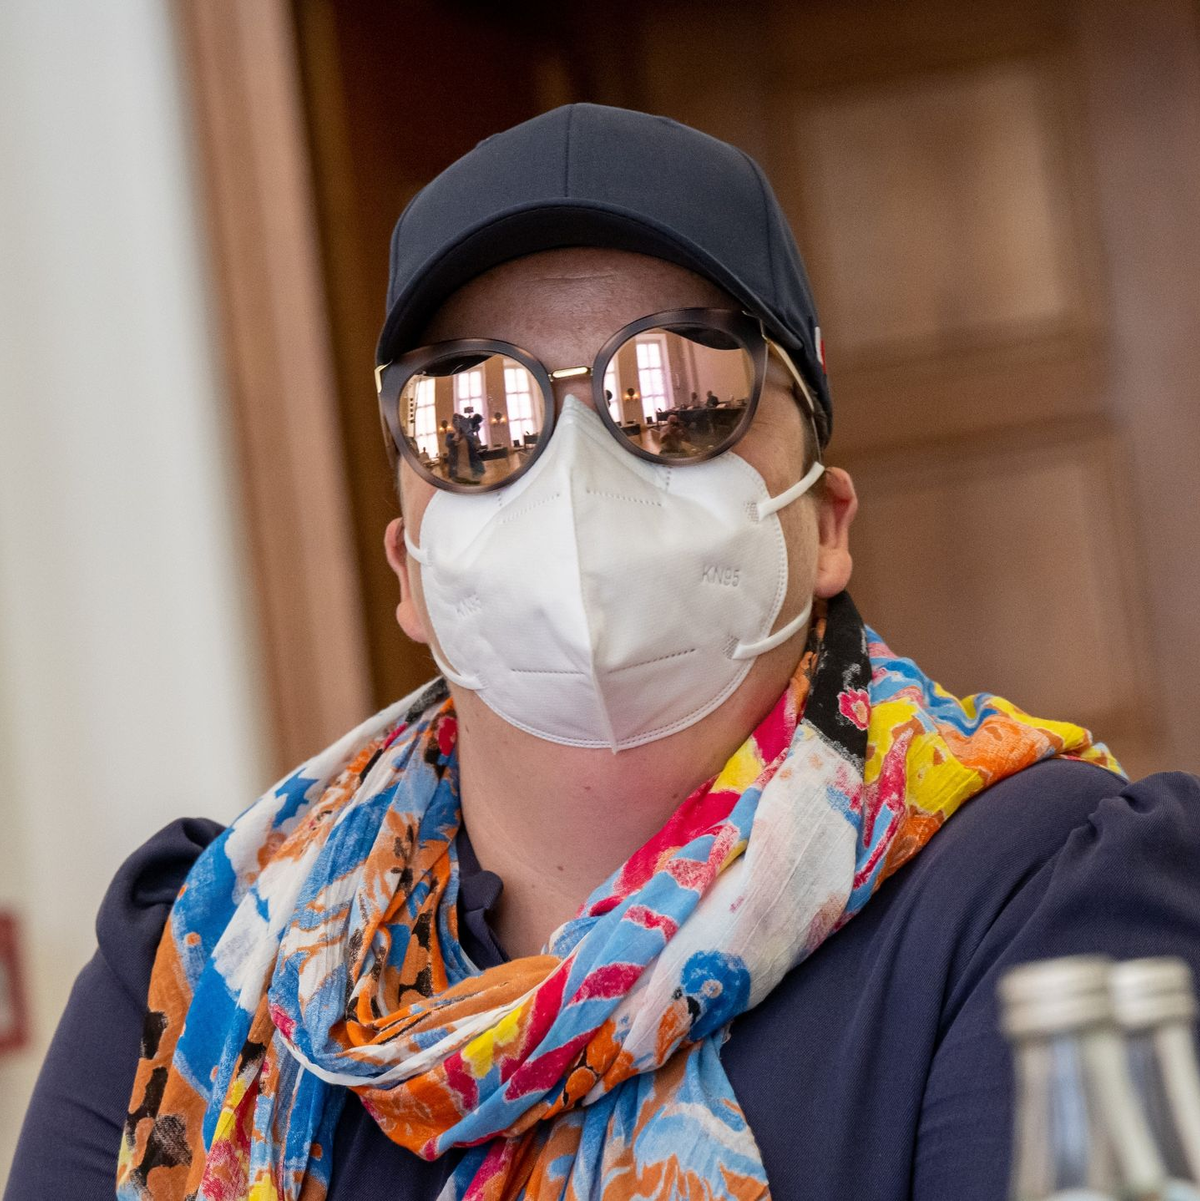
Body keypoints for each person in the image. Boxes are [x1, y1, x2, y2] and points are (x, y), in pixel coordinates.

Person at [8, 103, 1200, 1201]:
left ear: (825, 521)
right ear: (408, 571)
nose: (575, 476)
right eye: (474, 417)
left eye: (678, 393)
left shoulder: (1066, 899)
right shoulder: (204, 960)